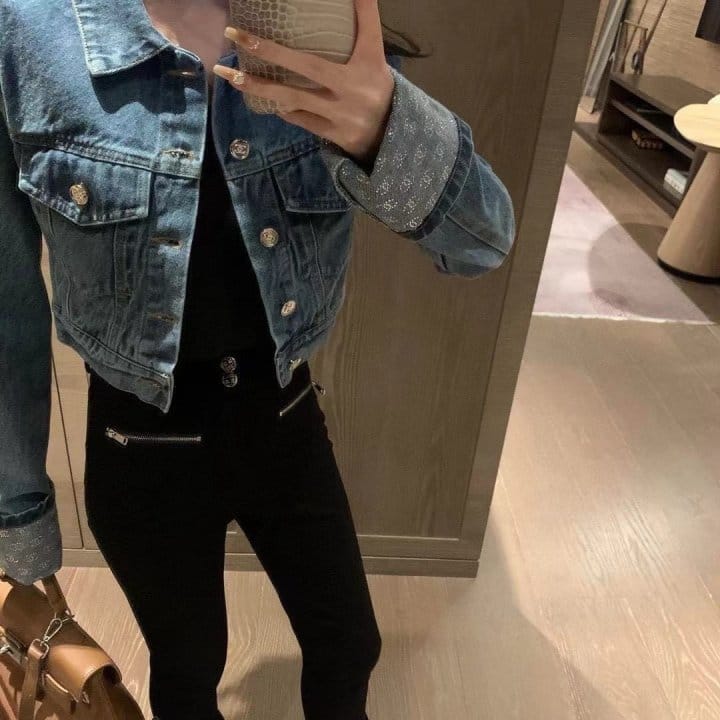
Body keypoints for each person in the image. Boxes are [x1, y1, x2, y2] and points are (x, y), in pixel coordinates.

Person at [0, 0, 517, 718]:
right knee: (188, 670)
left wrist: (383, 125)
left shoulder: (321, 21)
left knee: (349, 645)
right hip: (141, 446)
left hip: (283, 418)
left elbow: (481, 243)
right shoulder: (26, 29)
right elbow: (8, 304)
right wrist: (17, 514)